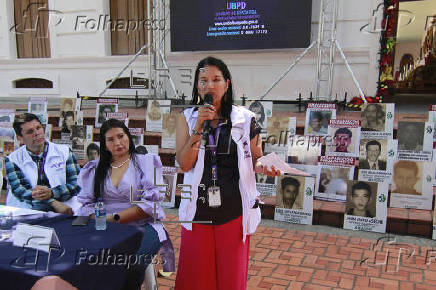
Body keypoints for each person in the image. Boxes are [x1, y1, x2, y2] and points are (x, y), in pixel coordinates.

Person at [175, 56, 280, 289]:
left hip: (234, 211)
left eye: (216, 79)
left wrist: (267, 166)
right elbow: (184, 164)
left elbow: (256, 158)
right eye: (203, 80)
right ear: (197, 86)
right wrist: (198, 127)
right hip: (198, 210)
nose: (209, 85)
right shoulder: (187, 118)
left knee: (230, 279)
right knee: (197, 279)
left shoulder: (246, 118)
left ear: (227, 83)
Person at [77, 119, 175, 289]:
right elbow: (86, 204)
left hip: (144, 225)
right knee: (88, 259)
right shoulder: (95, 168)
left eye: (121, 136)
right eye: (111, 139)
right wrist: (100, 219)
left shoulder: (145, 162)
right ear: (104, 144)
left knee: (133, 264)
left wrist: (112, 219)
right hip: (104, 224)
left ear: (128, 137)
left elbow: (150, 204)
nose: (118, 143)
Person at [5, 113, 81, 214]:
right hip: (28, 211)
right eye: (30, 131)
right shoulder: (12, 159)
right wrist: (52, 202)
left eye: (38, 128)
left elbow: (76, 185)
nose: (37, 133)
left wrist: (52, 193)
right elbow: (20, 191)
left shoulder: (64, 152)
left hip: (64, 209)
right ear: (20, 138)